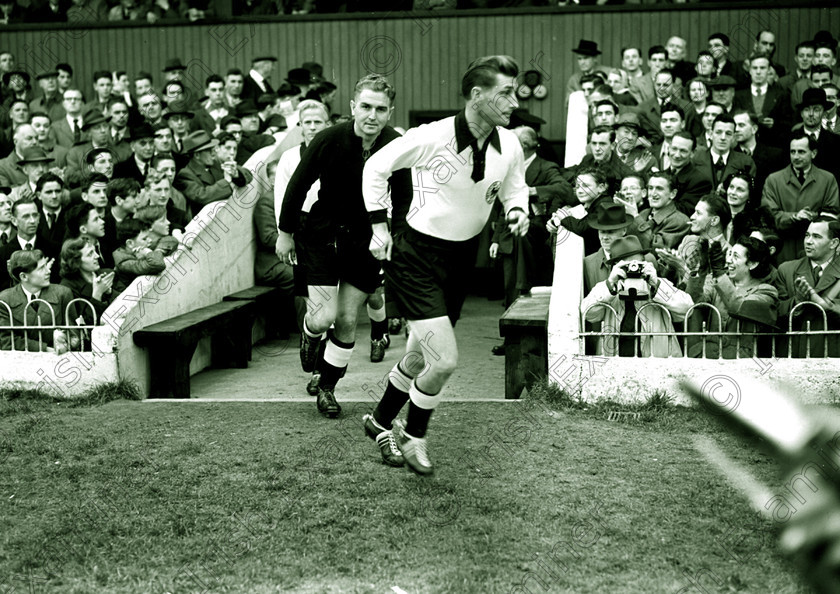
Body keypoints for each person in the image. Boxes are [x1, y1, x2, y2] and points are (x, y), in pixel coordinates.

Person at [359, 56, 529, 475]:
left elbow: (514, 186)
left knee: (418, 357)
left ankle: (379, 421)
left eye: (515, 91)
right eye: (505, 92)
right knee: (444, 360)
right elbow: (375, 167)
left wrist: (517, 210)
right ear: (477, 96)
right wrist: (378, 227)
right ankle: (413, 435)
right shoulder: (432, 137)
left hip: (460, 259)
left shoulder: (509, 144)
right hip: (416, 257)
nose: (514, 101)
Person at [275, 73, 412, 420]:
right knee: (325, 317)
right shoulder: (329, 139)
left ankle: (327, 388)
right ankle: (309, 333)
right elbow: (297, 185)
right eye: (365, 106)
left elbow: (404, 198)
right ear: (353, 107)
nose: (372, 115)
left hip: (365, 239)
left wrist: (396, 241)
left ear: (390, 112)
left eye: (380, 109)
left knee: (349, 321)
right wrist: (285, 232)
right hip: (321, 234)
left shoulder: (396, 145)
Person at [580, 234, 692, 358]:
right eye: (627, 266)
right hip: (616, 364)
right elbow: (588, 314)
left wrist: (657, 285)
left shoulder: (659, 285)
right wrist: (610, 285)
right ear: (615, 267)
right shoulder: (607, 288)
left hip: (657, 364)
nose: (633, 269)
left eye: (638, 264)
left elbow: (687, 310)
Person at [684, 235, 778, 359]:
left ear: (752, 264)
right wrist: (700, 270)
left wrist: (720, 274)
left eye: (735, 256)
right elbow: (694, 302)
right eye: (729, 254)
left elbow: (739, 306)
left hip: (741, 362)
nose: (728, 260)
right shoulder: (716, 283)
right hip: (708, 358)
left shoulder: (767, 291)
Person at [762, 133, 839, 264]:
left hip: (818, 251)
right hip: (783, 250)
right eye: (793, 152)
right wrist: (794, 217)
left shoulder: (827, 179)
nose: (796, 156)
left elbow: (832, 215)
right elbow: (768, 216)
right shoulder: (773, 180)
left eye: (801, 152)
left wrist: (812, 217)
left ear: (813, 153)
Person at [775, 219, 840, 358]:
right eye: (807, 235)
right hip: (792, 357)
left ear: (833, 243)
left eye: (816, 236)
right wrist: (797, 301)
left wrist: (824, 305)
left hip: (833, 357)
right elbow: (774, 314)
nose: (808, 241)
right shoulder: (786, 270)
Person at [0, 249, 78, 352]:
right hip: (21, 363)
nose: (48, 271)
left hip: (56, 361)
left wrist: (65, 340)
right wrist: (46, 349)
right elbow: (6, 341)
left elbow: (75, 335)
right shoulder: (5, 299)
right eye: (41, 268)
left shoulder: (62, 294)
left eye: (46, 265)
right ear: (24, 276)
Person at [690, 113, 756, 192]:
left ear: (734, 137)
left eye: (728, 134)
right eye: (718, 132)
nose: (723, 138)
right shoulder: (695, 159)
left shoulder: (746, 163)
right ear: (711, 134)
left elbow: (750, 193)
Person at [59, 238, 115, 327]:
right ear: (76, 261)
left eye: (95, 251)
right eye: (90, 254)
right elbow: (83, 326)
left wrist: (109, 292)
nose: (97, 256)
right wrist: (97, 295)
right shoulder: (67, 287)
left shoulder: (108, 274)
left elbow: (126, 306)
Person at [633, 171, 690, 250]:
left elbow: (656, 250)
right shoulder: (644, 213)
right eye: (650, 188)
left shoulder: (680, 221)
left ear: (673, 194)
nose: (653, 193)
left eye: (659, 189)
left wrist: (635, 217)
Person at [721, 171, 775, 246]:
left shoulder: (754, 223)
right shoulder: (718, 214)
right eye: (731, 187)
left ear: (749, 195)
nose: (733, 192)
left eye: (740, 190)